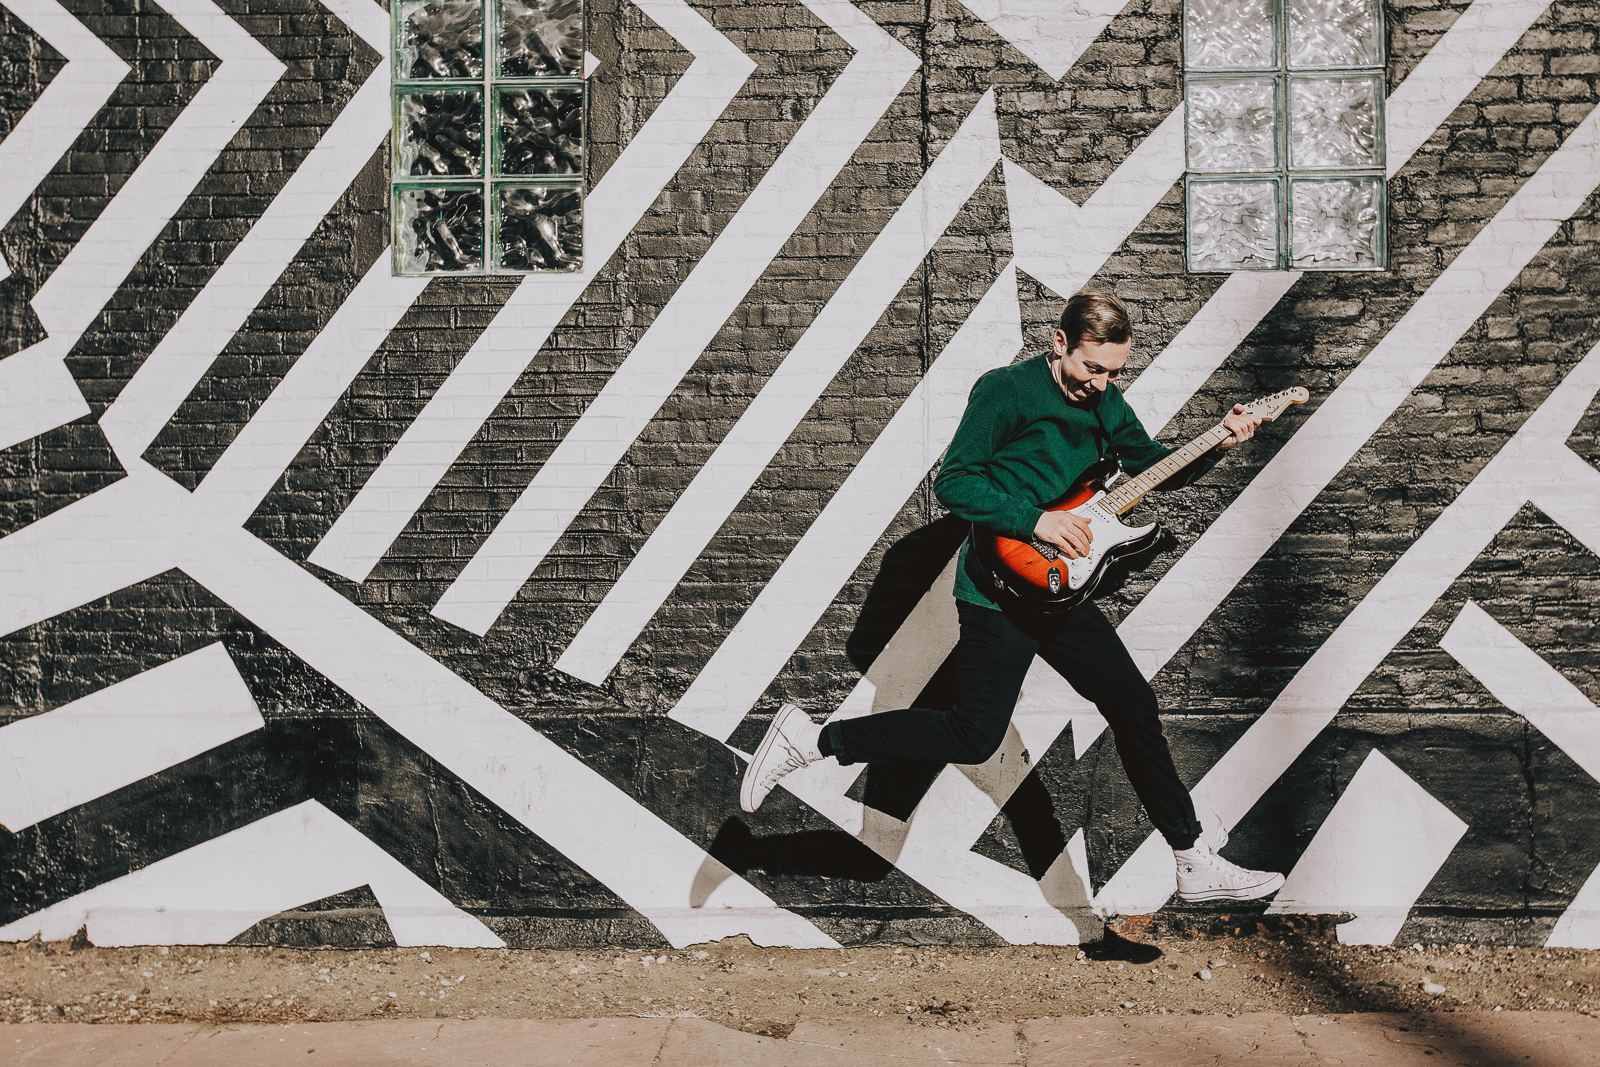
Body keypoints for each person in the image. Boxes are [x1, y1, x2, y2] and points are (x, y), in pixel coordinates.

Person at [739, 290, 1285, 904]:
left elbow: (1152, 467)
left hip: (1062, 593)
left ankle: (1191, 860)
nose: (1102, 384)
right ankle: (813, 742)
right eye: (1092, 367)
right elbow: (956, 481)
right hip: (997, 591)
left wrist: (1220, 442)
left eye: (1114, 372)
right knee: (975, 734)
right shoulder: (1004, 390)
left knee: (1132, 703)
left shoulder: (1106, 401)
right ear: (1060, 345)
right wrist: (1035, 523)